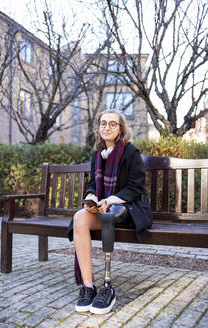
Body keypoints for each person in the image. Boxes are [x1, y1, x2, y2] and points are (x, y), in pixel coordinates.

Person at [68, 109, 152, 314]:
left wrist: (109, 200)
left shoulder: (131, 152)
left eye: (112, 124)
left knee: (107, 215)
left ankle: (108, 287)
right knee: (79, 217)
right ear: (98, 127)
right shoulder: (97, 154)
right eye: (103, 123)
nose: (107, 127)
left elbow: (135, 187)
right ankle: (88, 287)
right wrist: (91, 199)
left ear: (121, 128)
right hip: (104, 208)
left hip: (128, 210)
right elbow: (91, 184)